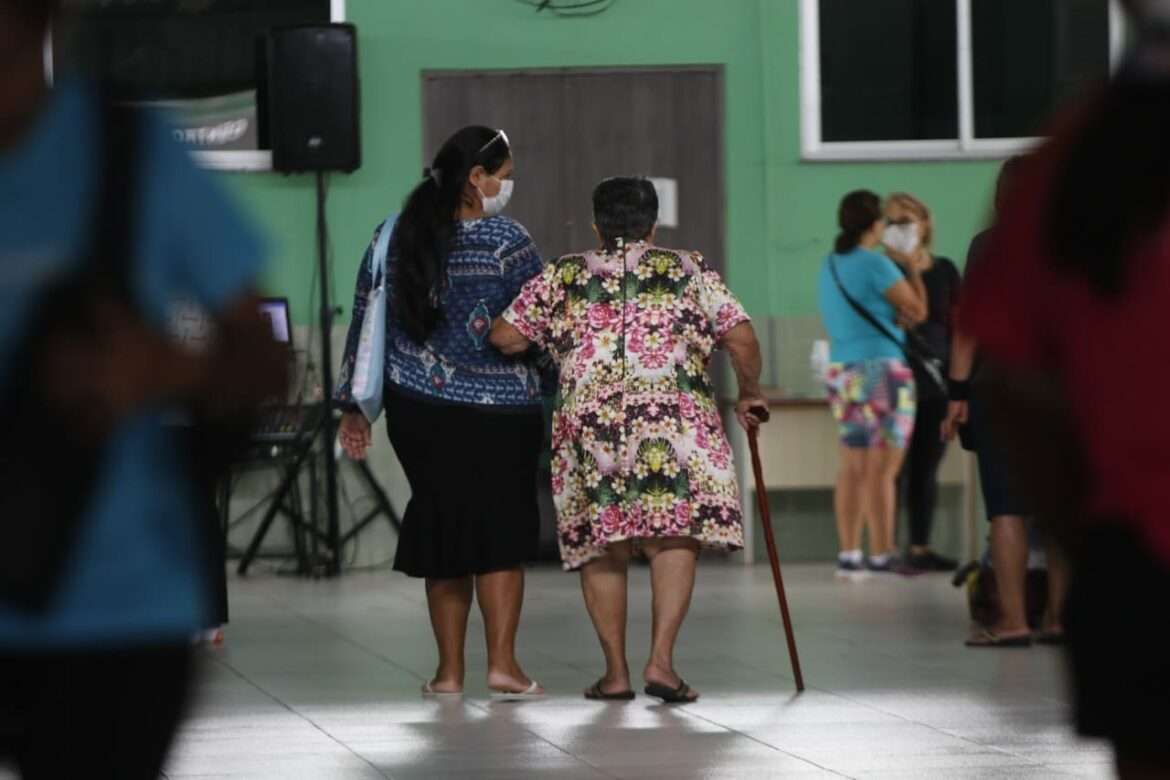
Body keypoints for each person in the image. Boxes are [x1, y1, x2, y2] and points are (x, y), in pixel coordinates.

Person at [0, 1, 285, 777]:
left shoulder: (129, 155)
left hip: (114, 605)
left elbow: (262, 360)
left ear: (44, 23)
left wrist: (165, 370)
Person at [959, 0, 1170, 774]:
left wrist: (1083, 529)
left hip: (1135, 542)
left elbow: (1016, 380)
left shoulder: (1079, 160)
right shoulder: (1080, 159)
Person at [490, 177, 766, 704]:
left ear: (596, 226)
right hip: (675, 422)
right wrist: (749, 392)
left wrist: (554, 342)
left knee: (602, 544)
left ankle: (615, 673)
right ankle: (660, 662)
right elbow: (742, 336)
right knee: (674, 535)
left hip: (590, 425)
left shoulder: (565, 274)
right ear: (653, 225)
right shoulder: (688, 268)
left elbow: (506, 335)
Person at [336, 126, 546, 700]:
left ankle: (448, 673)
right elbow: (542, 322)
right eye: (504, 175)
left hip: (419, 412)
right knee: (500, 534)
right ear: (476, 179)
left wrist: (354, 408)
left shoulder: (393, 236)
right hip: (503, 415)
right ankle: (503, 666)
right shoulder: (509, 239)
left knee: (443, 527)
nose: (508, 185)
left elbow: (365, 320)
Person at [942, 158, 1068, 647]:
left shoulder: (990, 246)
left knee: (1007, 511)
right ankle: (1060, 619)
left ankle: (1013, 621)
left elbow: (969, 328)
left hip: (1001, 390)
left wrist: (957, 393)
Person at [817, 190, 928, 578]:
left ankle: (849, 553)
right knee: (883, 468)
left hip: (842, 371)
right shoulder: (877, 265)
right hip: (882, 368)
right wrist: (910, 266)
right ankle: (881, 552)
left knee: (852, 464)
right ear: (876, 225)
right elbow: (918, 309)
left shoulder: (830, 264)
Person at [884, 193, 960, 572]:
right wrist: (905, 268)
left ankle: (920, 546)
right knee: (894, 468)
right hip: (895, 377)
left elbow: (958, 325)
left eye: (907, 221)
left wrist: (962, 382)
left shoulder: (945, 269)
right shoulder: (883, 270)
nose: (901, 229)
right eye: (893, 222)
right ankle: (888, 547)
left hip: (937, 380)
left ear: (925, 224)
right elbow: (904, 318)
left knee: (926, 466)